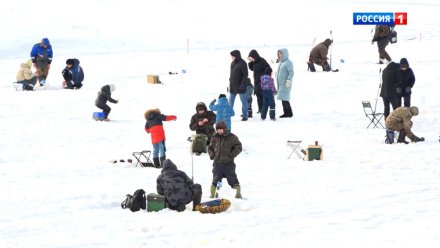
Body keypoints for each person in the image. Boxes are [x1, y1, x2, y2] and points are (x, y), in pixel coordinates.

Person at [207, 121, 243, 199]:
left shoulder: (231, 137)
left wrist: (231, 155)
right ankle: (214, 193)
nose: (219, 131)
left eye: (221, 129)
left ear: (224, 129)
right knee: (216, 179)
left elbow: (239, 147)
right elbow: (210, 147)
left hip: (228, 163)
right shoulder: (215, 137)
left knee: (232, 178)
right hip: (217, 163)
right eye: (217, 129)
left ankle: (238, 194)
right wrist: (212, 155)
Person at [248, 49, 271, 114]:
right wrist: (250, 62)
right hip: (256, 81)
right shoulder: (254, 62)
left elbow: (269, 69)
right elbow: (252, 68)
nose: (251, 58)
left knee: (262, 95)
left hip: (262, 81)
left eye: (252, 57)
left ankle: (264, 109)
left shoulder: (262, 61)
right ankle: (260, 109)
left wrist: (263, 75)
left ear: (255, 56)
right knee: (258, 95)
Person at [229, 50, 249, 121]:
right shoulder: (232, 63)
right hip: (233, 86)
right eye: (231, 56)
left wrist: (243, 84)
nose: (231, 57)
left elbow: (245, 75)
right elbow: (231, 75)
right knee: (230, 101)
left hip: (241, 86)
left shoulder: (243, 63)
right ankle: (229, 115)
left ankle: (245, 116)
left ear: (236, 56)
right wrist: (230, 85)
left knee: (243, 101)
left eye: (233, 56)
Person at [276, 48, 294, 118]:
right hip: (281, 84)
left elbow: (291, 72)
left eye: (281, 54)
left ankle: (289, 113)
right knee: (283, 99)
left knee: (285, 99)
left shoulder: (289, 62)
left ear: (284, 54)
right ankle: (285, 113)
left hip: (286, 84)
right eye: (278, 54)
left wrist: (288, 80)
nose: (279, 55)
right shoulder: (281, 62)